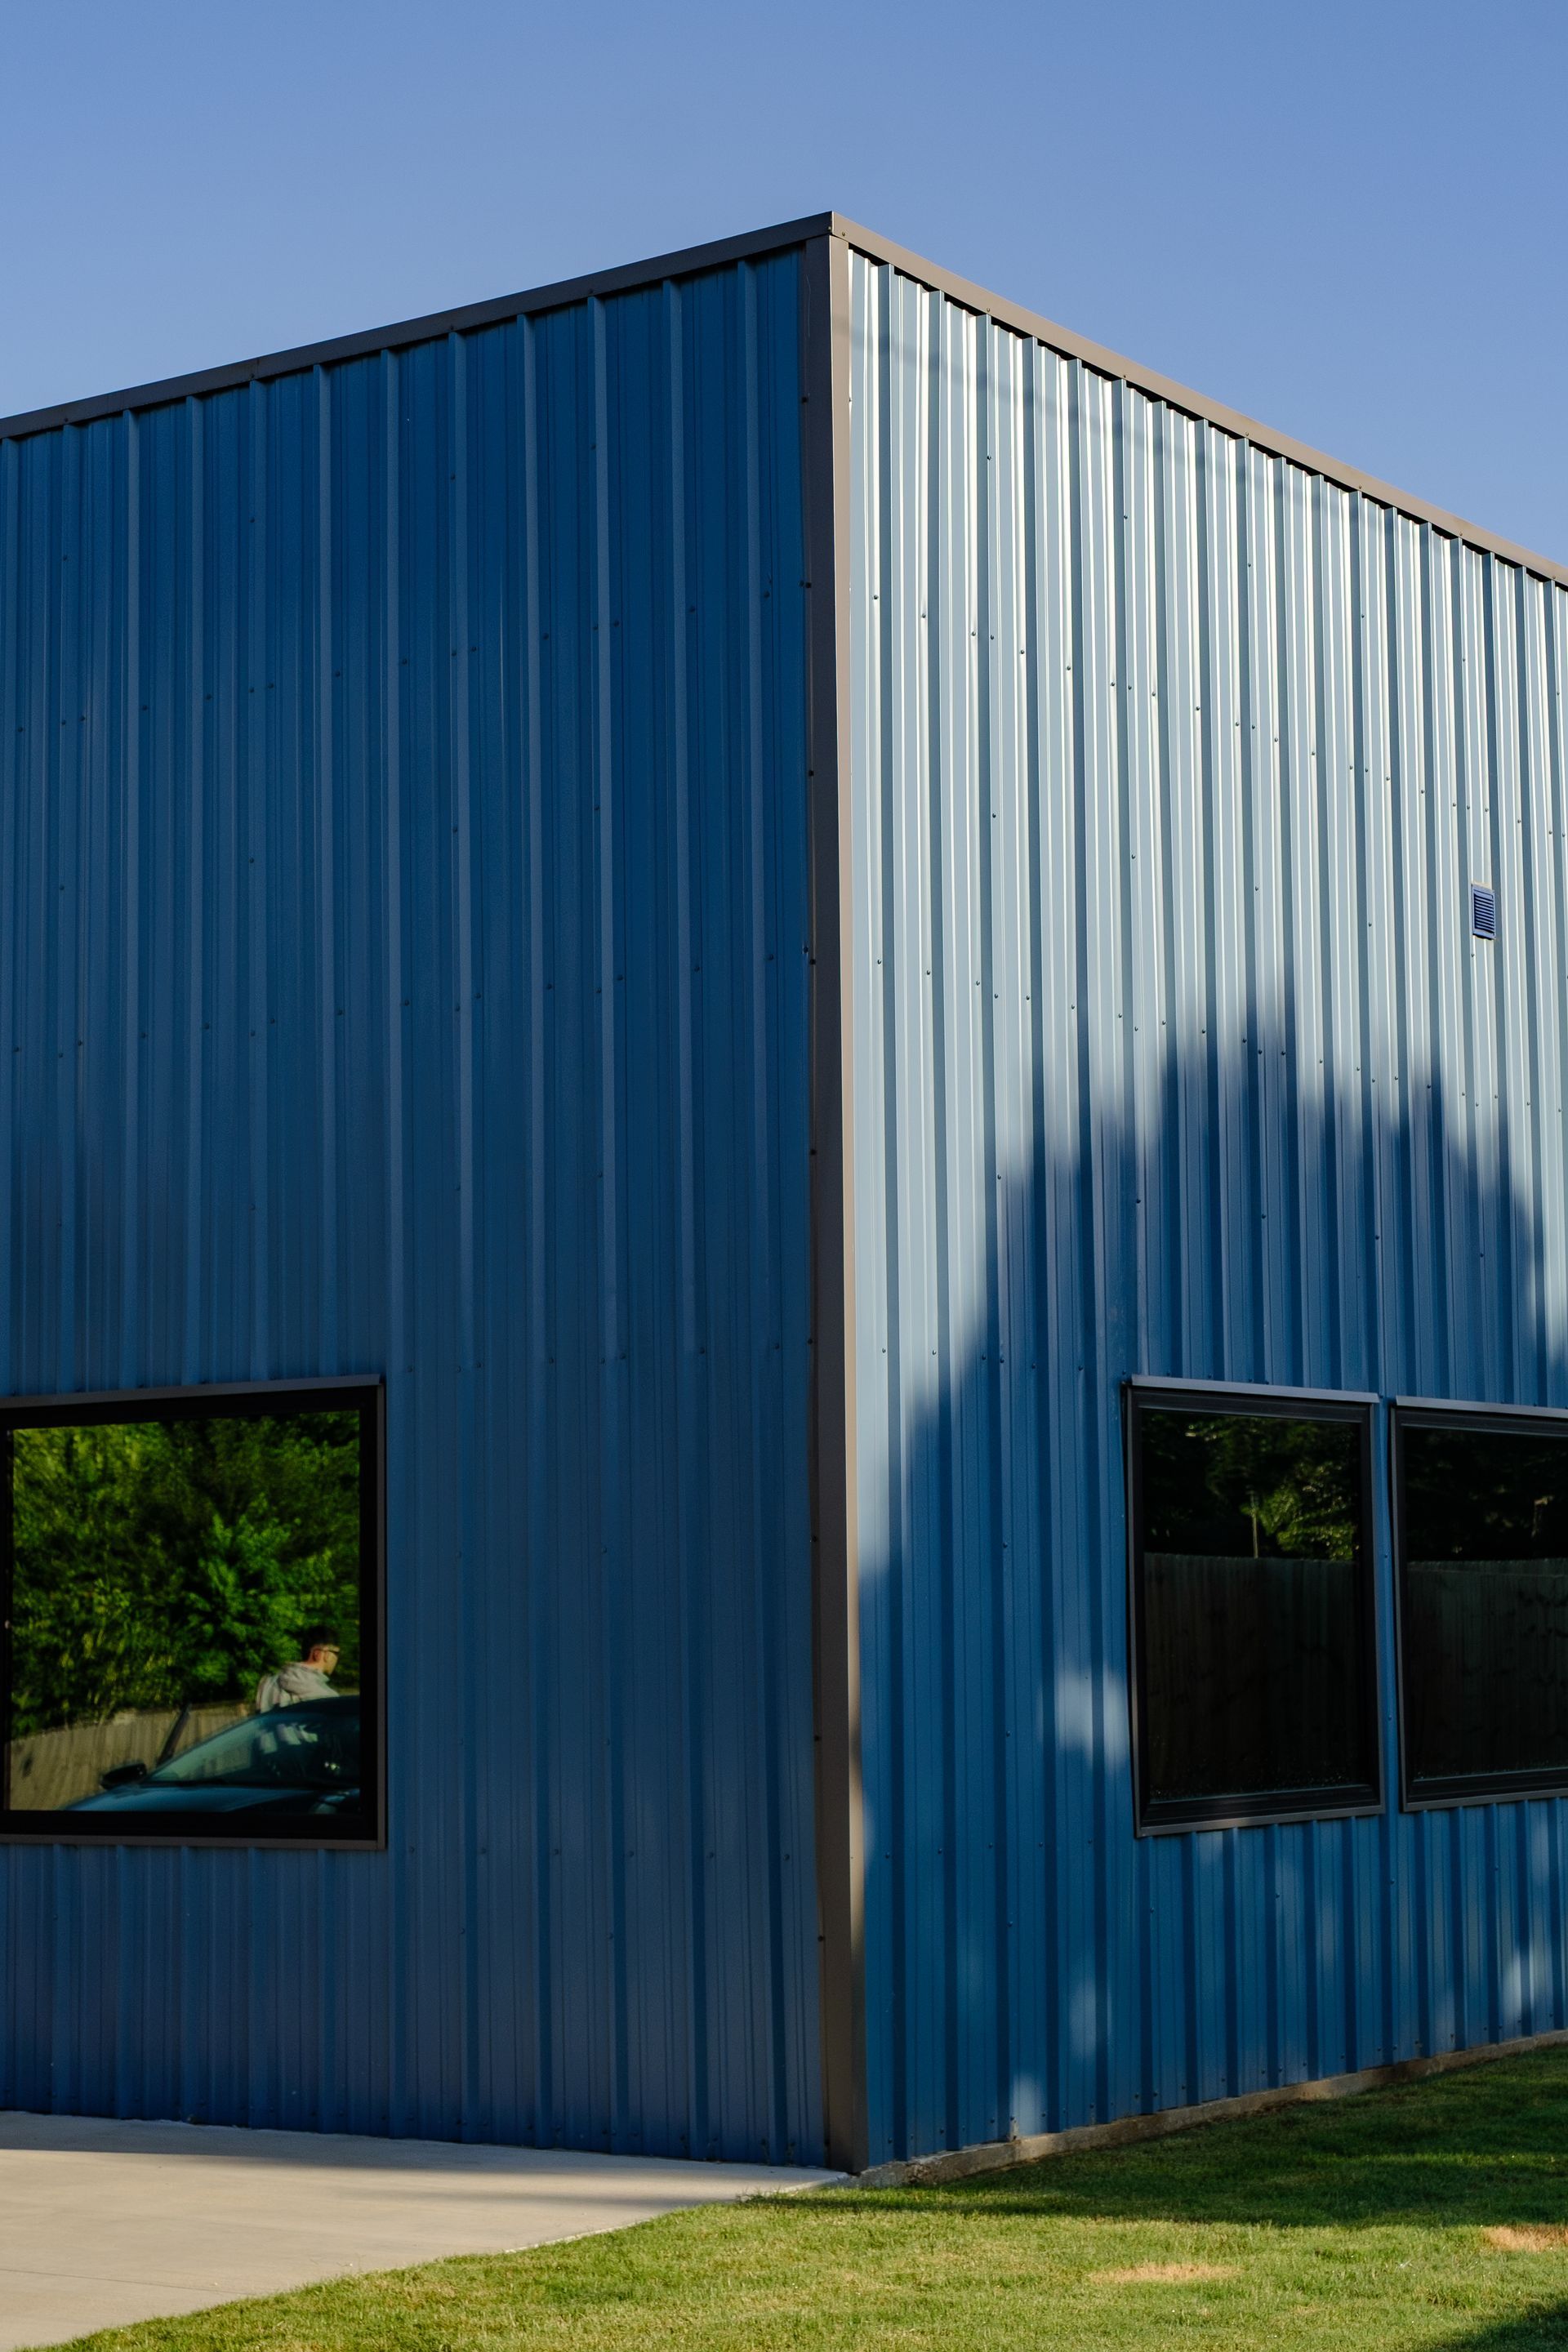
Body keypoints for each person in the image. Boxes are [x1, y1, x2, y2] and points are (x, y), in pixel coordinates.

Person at [255, 1628, 341, 1715]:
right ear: (319, 1654)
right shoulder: (328, 1697)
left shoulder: (267, 1683)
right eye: (336, 1653)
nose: (337, 1658)